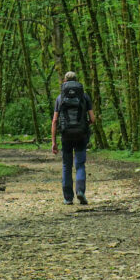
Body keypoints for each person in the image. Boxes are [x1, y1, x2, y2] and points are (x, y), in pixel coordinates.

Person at [51, 71, 95, 205]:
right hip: (81, 135)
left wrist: (53, 142)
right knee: (80, 164)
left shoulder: (60, 98)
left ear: (65, 81)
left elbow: (55, 120)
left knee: (66, 165)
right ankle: (80, 191)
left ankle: (68, 198)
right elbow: (92, 119)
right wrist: (84, 125)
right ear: (77, 81)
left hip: (66, 136)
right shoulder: (85, 96)